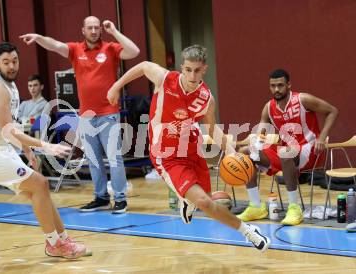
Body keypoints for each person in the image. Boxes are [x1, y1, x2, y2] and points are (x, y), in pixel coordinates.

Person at [107, 45, 270, 252]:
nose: (192, 75)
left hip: (192, 148)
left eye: (197, 70)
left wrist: (230, 151)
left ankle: (186, 201)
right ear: (182, 68)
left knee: (206, 197)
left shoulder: (207, 99)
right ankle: (248, 232)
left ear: (205, 70)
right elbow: (143, 65)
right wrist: (116, 86)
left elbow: (212, 129)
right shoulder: (165, 79)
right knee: (205, 202)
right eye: (188, 69)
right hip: (167, 156)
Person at [0, 42, 89, 259]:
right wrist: (44, 146)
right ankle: (54, 244)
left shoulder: (10, 86)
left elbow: (12, 127)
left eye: (14, 61)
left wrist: (28, 151)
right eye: (6, 62)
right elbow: (9, 130)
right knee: (39, 183)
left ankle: (62, 239)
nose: (11, 66)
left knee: (40, 188)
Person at [20, 16, 140, 214]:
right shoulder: (75, 49)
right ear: (83, 30)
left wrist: (114, 31)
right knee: (93, 160)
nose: (93, 31)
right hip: (86, 116)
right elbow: (55, 45)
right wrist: (39, 37)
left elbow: (134, 51)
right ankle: (101, 197)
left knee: (114, 158)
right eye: (89, 28)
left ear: (100, 30)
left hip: (108, 114)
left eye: (96, 28)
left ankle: (120, 199)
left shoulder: (110, 48)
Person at [237, 69, 338, 225]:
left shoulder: (303, 99)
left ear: (289, 85)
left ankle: (294, 208)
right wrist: (256, 148)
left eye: (280, 85)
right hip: (287, 154)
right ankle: (256, 206)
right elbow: (261, 132)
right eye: (272, 86)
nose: (276, 89)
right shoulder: (268, 108)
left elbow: (332, 111)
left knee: (285, 152)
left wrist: (322, 138)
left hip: (311, 149)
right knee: (245, 152)